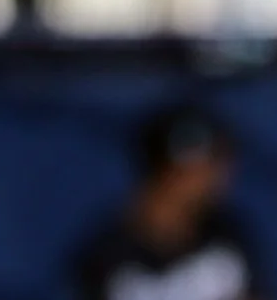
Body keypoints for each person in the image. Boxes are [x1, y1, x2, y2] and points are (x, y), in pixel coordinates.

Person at [72, 105, 264, 300]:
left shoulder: (226, 236)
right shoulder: (109, 260)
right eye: (204, 165)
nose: (218, 176)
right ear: (165, 171)